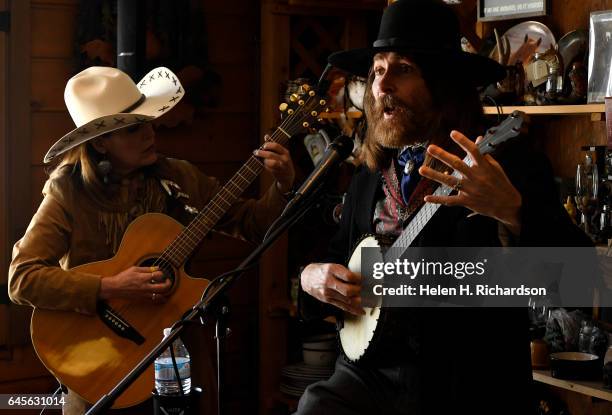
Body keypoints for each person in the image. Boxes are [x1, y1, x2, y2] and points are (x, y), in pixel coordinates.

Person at [296, 1, 591, 414]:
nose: (381, 87)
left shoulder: (503, 163)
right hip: (367, 375)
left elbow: (578, 277)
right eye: (377, 70)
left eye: (402, 69)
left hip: (464, 383)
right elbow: (336, 263)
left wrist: (513, 212)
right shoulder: (368, 175)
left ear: (444, 83)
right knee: (316, 405)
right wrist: (311, 279)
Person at [7, 66, 294, 414]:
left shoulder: (178, 176)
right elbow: (22, 279)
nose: (150, 134)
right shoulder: (68, 192)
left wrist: (282, 185)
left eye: (147, 121)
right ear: (100, 142)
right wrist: (110, 286)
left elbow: (252, 224)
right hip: (94, 359)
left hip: (175, 351)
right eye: (133, 129)